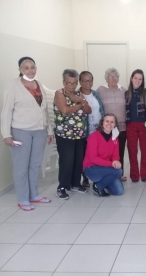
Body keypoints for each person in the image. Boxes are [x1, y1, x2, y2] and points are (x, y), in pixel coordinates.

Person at [1, 57, 54, 211]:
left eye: (33, 67)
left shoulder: (39, 84)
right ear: (20, 70)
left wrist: (49, 130)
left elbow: (43, 109)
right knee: (21, 166)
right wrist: (6, 135)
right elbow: (6, 112)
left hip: (40, 130)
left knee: (35, 164)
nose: (30, 70)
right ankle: (23, 198)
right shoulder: (13, 86)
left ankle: (34, 195)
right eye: (26, 68)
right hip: (21, 131)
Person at [54, 69, 91, 199]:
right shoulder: (60, 94)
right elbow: (64, 110)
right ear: (64, 82)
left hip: (79, 134)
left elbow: (89, 110)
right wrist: (79, 104)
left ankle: (75, 183)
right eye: (69, 83)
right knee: (66, 161)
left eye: (75, 83)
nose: (72, 86)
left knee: (78, 160)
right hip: (65, 135)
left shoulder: (79, 94)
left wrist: (82, 102)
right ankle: (62, 187)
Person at [97, 68, 127, 182]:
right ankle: (108, 173)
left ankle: (120, 173)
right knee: (107, 151)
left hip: (122, 127)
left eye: (115, 76)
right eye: (110, 76)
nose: (113, 79)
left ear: (118, 78)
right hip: (107, 128)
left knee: (120, 151)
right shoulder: (100, 90)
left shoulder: (123, 90)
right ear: (106, 78)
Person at [83, 114, 123, 197]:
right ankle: (97, 186)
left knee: (119, 191)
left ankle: (102, 182)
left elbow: (115, 156)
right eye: (107, 121)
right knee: (118, 171)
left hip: (106, 168)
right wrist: (111, 164)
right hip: (91, 168)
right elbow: (93, 159)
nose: (109, 124)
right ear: (102, 123)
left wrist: (116, 161)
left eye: (112, 122)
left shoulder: (114, 138)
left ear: (115, 124)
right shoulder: (94, 136)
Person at [79, 71, 105, 187]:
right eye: (84, 80)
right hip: (84, 131)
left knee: (97, 154)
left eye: (89, 80)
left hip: (97, 131)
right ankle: (85, 177)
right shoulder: (77, 95)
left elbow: (101, 110)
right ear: (80, 82)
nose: (87, 83)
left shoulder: (95, 94)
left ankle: (97, 175)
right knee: (85, 155)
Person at [125, 69, 146, 182]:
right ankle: (134, 175)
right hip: (130, 125)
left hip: (144, 125)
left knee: (145, 150)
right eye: (135, 78)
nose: (137, 81)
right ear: (131, 78)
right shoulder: (126, 93)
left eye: (140, 79)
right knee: (132, 151)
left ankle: (145, 175)